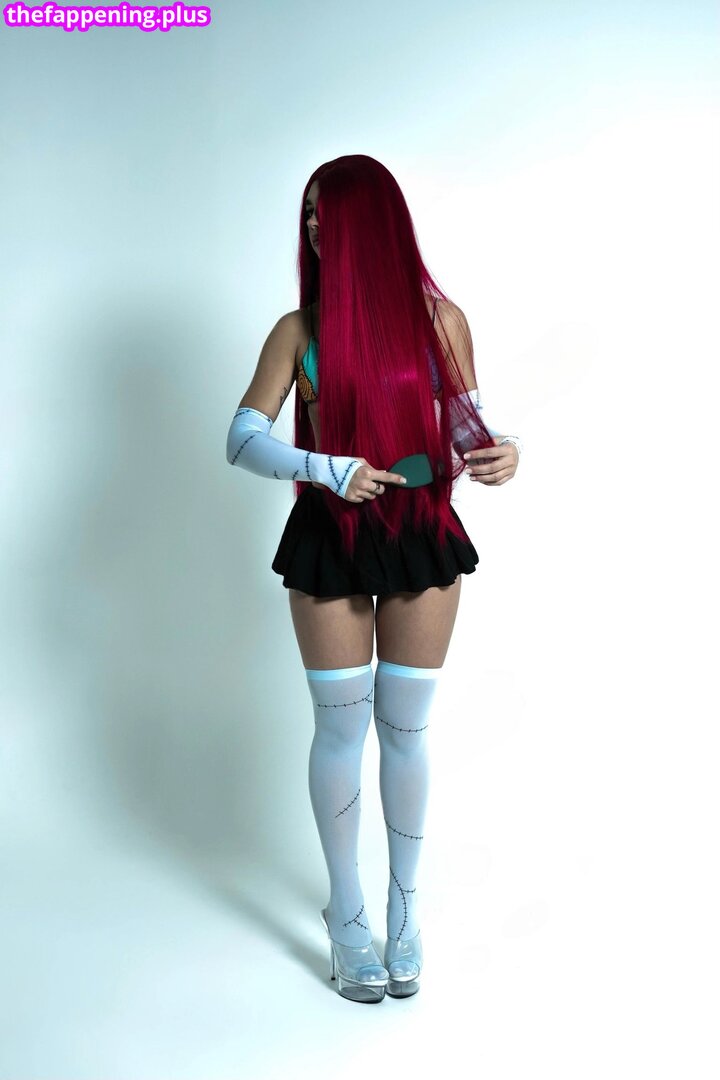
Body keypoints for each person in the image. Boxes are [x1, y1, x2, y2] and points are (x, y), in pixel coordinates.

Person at [226, 155, 521, 1004]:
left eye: (331, 214)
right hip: (332, 539)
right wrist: (326, 468)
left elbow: (466, 428)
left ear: (375, 224)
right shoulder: (299, 330)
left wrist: (502, 451)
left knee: (405, 732)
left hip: (421, 536)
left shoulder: (441, 321)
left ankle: (405, 911)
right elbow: (242, 437)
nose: (316, 228)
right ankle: (348, 913)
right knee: (340, 731)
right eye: (309, 214)